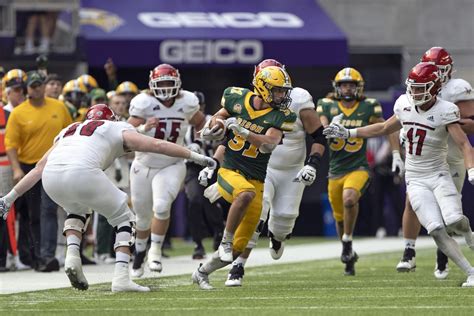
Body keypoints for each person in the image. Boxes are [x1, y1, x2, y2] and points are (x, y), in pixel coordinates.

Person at [0, 103, 215, 291]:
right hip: (82, 172)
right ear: (111, 119)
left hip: (52, 178)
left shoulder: (69, 130)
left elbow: (38, 168)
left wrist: (9, 198)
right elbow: (158, 145)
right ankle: (122, 278)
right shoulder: (115, 126)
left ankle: (72, 256)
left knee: (77, 210)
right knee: (126, 219)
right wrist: (197, 157)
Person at [323, 62, 474, 287]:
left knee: (454, 220)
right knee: (435, 229)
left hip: (439, 174)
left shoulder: (445, 109)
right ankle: (470, 272)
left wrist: (471, 168)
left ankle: (470, 237)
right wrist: (348, 132)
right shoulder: (404, 104)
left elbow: (464, 143)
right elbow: (383, 128)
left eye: (421, 87)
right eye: (413, 87)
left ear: (434, 88)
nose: (415, 92)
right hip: (415, 179)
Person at [191, 65, 297, 290]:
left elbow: (270, 144)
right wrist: (215, 126)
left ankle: (202, 272)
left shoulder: (282, 115)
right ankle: (225, 240)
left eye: (283, 91)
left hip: (257, 178)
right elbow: (219, 118)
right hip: (231, 171)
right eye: (278, 91)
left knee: (241, 245)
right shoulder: (236, 97)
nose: (282, 96)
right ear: (263, 87)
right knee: (244, 194)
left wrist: (244, 131)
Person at [222, 59, 326, 286]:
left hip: (292, 170)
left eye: (281, 88)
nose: (279, 94)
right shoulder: (250, 102)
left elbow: (318, 136)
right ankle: (238, 265)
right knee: (257, 214)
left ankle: (278, 237)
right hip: (263, 167)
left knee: (284, 220)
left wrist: (312, 164)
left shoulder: (298, 99)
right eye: (273, 87)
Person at [396, 47, 474, 279]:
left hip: (450, 155)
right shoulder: (415, 90)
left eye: (441, 70)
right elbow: (392, 123)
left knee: (452, 215)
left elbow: (470, 123)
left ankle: (446, 254)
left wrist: (445, 122)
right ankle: (409, 251)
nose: (438, 74)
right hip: (422, 161)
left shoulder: (457, 90)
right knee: (416, 204)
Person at [316, 67, 402, 276]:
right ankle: (348, 248)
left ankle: (346, 240)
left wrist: (396, 154)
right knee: (339, 218)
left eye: (351, 85)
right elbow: (321, 129)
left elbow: (387, 128)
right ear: (337, 87)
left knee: (349, 199)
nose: (347, 88)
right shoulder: (326, 104)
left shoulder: (368, 106)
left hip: (359, 167)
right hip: (335, 170)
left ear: (358, 87)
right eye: (344, 84)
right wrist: (329, 127)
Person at [127, 64, 206, 277]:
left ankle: (155, 251)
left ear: (177, 83)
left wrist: (197, 143)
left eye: (168, 83)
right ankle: (140, 253)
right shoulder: (144, 103)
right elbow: (125, 131)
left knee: (162, 206)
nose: (164, 87)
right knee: (142, 217)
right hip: (143, 163)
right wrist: (143, 129)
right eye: (159, 83)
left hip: (172, 163)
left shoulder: (187, 102)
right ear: (152, 84)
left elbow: (200, 123)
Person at [5, 71, 73, 272]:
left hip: (55, 165)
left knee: (49, 210)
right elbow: (11, 144)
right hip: (29, 167)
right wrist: (17, 169)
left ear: (43, 86)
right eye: (32, 86)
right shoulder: (19, 113)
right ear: (27, 88)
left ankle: (47, 255)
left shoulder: (59, 107)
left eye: (39, 85)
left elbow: (70, 132)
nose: (36, 88)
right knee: (34, 214)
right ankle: (35, 256)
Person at [184, 91, 224, 260]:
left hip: (211, 165)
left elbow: (222, 144)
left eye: (197, 107)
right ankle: (197, 243)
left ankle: (218, 231)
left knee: (211, 202)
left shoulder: (212, 121)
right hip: (192, 168)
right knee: (194, 201)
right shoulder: (183, 125)